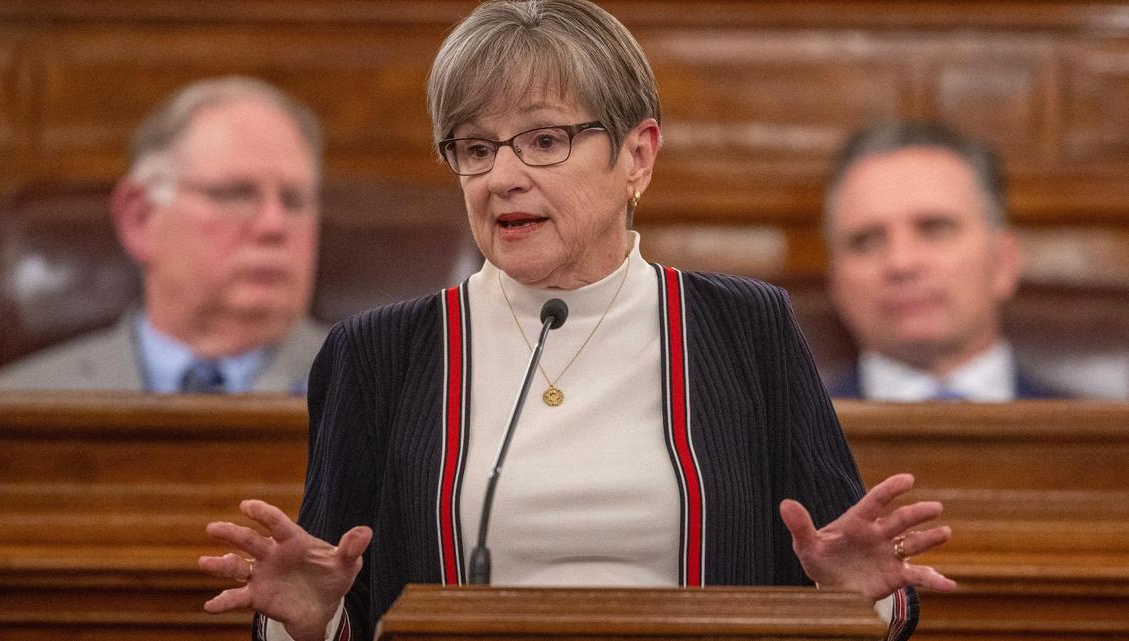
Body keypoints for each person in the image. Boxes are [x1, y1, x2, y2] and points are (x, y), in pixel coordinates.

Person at [198, 3, 955, 640]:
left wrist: (865, 597)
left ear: (638, 155)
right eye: (474, 147)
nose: (502, 176)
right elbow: (333, 602)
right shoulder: (381, 354)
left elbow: (848, 571)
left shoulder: (744, 329)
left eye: (545, 139)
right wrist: (309, 619)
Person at [0, 77, 329, 393]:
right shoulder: (16, 407)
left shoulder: (374, 396)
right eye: (235, 194)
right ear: (140, 218)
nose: (274, 225)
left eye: (295, 200)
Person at [821, 121, 1063, 401]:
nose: (901, 263)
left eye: (934, 229)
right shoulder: (781, 440)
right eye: (866, 241)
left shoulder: (1097, 438)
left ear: (1002, 262)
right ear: (837, 282)